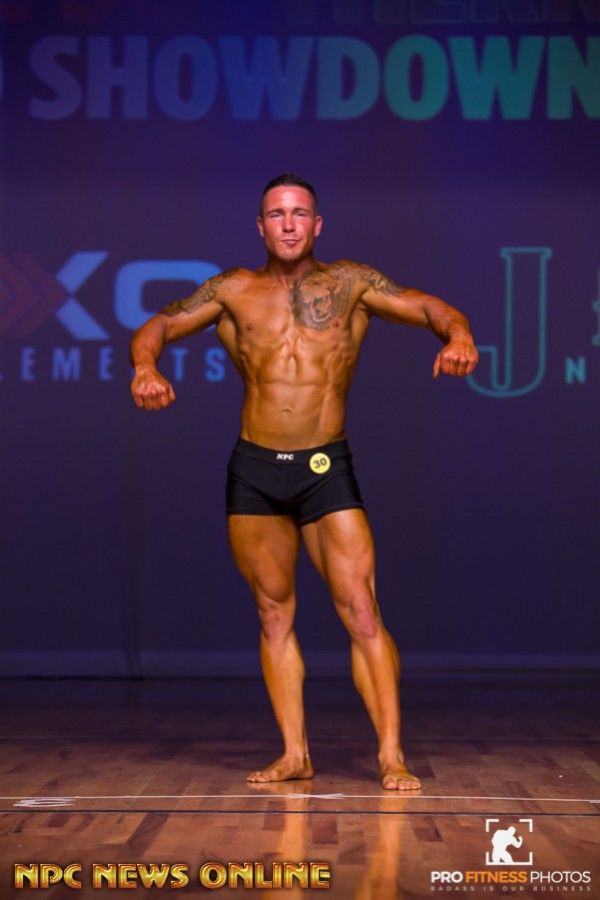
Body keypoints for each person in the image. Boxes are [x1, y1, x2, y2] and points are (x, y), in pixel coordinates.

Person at [129, 173, 479, 790]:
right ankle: (295, 754)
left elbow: (429, 307)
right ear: (260, 226)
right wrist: (144, 367)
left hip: (324, 468)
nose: (288, 224)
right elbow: (158, 324)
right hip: (256, 470)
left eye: (299, 213)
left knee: (362, 611)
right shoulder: (231, 289)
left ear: (317, 224)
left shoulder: (352, 283)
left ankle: (391, 755)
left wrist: (460, 334)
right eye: (276, 214)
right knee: (273, 615)